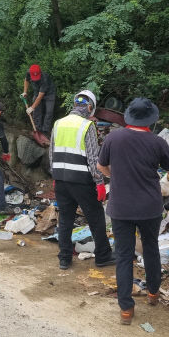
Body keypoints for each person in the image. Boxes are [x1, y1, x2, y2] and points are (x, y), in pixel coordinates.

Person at [97, 98, 169, 325]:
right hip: (149, 207)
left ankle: (126, 309)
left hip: (121, 207)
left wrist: (116, 175)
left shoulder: (113, 138)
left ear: (129, 117)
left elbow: (101, 166)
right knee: (150, 248)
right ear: (151, 120)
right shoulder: (158, 142)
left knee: (124, 256)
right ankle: (153, 293)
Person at [50, 90, 115, 271]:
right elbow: (94, 158)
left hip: (61, 179)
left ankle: (64, 258)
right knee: (95, 217)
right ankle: (103, 256)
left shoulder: (58, 123)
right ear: (89, 107)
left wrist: (54, 176)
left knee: (65, 219)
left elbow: (52, 153)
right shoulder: (87, 126)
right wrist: (100, 183)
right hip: (81, 180)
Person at [22, 64, 56, 137]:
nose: (35, 79)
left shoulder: (45, 78)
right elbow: (26, 80)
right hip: (37, 92)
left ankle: (45, 132)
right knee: (37, 110)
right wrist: (25, 91)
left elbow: (40, 97)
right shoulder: (29, 72)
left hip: (49, 93)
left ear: (40, 73)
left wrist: (31, 107)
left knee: (49, 112)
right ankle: (37, 130)